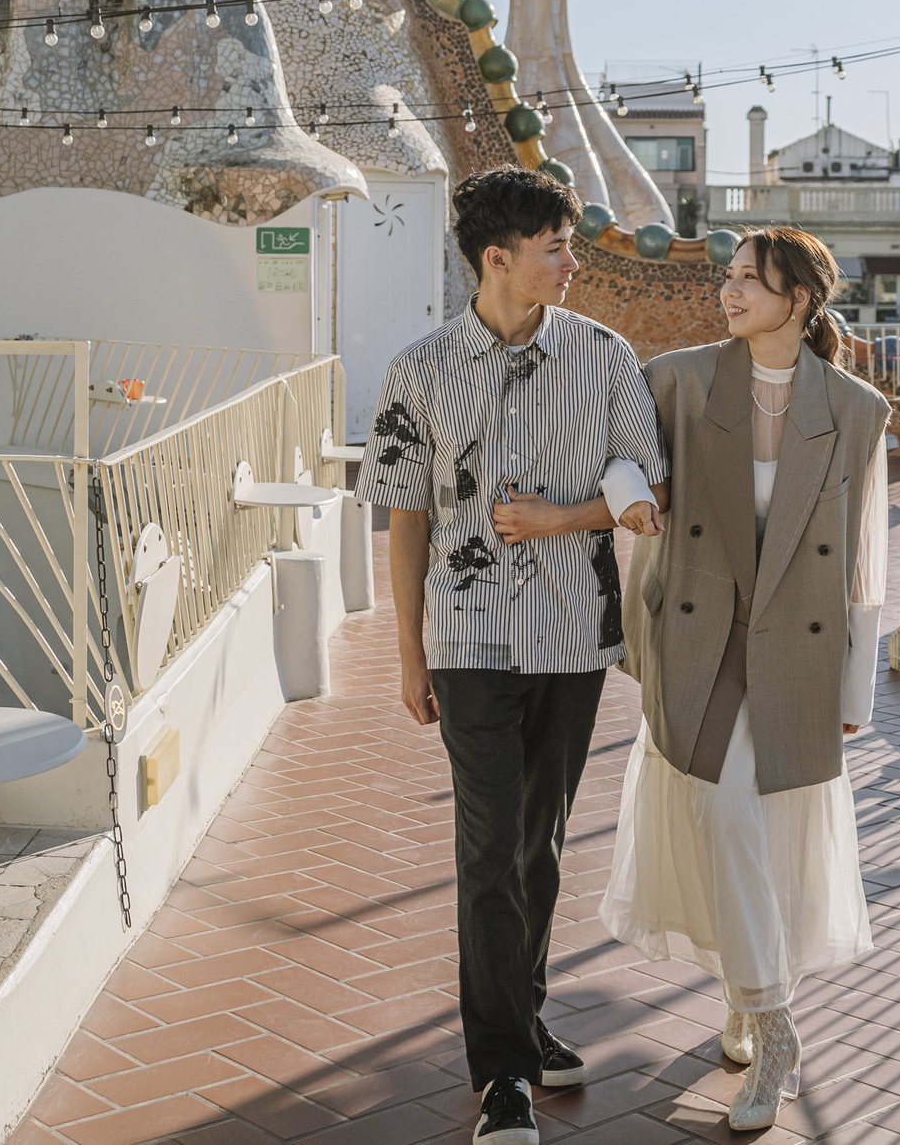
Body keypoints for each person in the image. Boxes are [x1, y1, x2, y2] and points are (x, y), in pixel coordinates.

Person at [359, 166, 668, 1145]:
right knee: (490, 845)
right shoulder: (416, 371)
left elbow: (641, 486)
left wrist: (559, 518)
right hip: (469, 636)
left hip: (576, 634)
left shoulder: (608, 356)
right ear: (498, 258)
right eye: (556, 248)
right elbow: (406, 520)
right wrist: (408, 654)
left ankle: (524, 1022)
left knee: (538, 844)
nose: (573, 262)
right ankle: (502, 1075)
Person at [598, 226, 890, 1132]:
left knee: (766, 829)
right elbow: (618, 452)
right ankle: (776, 1028)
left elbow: (865, 561)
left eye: (748, 283)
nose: (727, 294)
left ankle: (745, 998)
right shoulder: (681, 379)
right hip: (701, 638)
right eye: (725, 279)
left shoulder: (853, 407)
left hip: (795, 648)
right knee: (724, 813)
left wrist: (854, 692)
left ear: (799, 300)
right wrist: (628, 499)